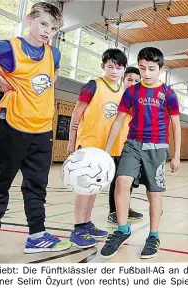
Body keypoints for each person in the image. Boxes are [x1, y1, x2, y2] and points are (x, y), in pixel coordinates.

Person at [0, 2, 71, 264]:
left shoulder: (54, 54)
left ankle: (37, 235)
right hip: (12, 124)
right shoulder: (8, 47)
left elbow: (53, 75)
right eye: (44, 24)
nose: (48, 31)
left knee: (37, 186)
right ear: (29, 19)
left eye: (54, 28)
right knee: (0, 183)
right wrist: (0, 79)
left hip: (42, 128)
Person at [101, 47, 181, 258]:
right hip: (133, 144)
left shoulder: (169, 94)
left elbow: (176, 125)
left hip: (157, 148)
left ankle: (153, 235)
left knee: (153, 193)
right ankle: (122, 229)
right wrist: (106, 151)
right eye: (143, 68)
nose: (146, 73)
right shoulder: (131, 91)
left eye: (151, 69)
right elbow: (118, 121)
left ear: (161, 69)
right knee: (121, 182)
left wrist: (177, 154)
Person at [66, 49, 128, 248]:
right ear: (103, 67)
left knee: (93, 188)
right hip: (88, 145)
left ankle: (86, 222)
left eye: (118, 67)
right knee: (84, 188)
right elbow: (76, 115)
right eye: (110, 66)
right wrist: (71, 141)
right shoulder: (93, 86)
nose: (114, 71)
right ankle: (78, 227)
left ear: (123, 70)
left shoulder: (122, 93)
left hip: (106, 149)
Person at [107, 66, 144, 224]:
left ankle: (125, 208)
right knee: (118, 180)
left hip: (131, 145)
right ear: (123, 80)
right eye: (130, 80)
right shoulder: (118, 98)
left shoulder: (137, 100)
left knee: (128, 180)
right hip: (116, 145)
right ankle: (113, 211)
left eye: (137, 81)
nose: (133, 83)